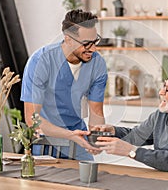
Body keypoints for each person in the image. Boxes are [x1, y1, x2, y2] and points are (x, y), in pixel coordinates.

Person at [92, 70, 168, 175]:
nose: (160, 92)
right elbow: (137, 136)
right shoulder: (161, 115)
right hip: (166, 181)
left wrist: (130, 151)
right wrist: (113, 131)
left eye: (167, 90)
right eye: (164, 86)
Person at [20, 9, 107, 160]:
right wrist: (70, 136)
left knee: (87, 182)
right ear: (68, 40)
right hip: (46, 140)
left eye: (95, 41)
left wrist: (96, 137)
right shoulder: (41, 61)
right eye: (87, 43)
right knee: (46, 183)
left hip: (79, 137)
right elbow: (32, 119)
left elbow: (96, 112)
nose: (93, 49)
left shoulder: (97, 63)